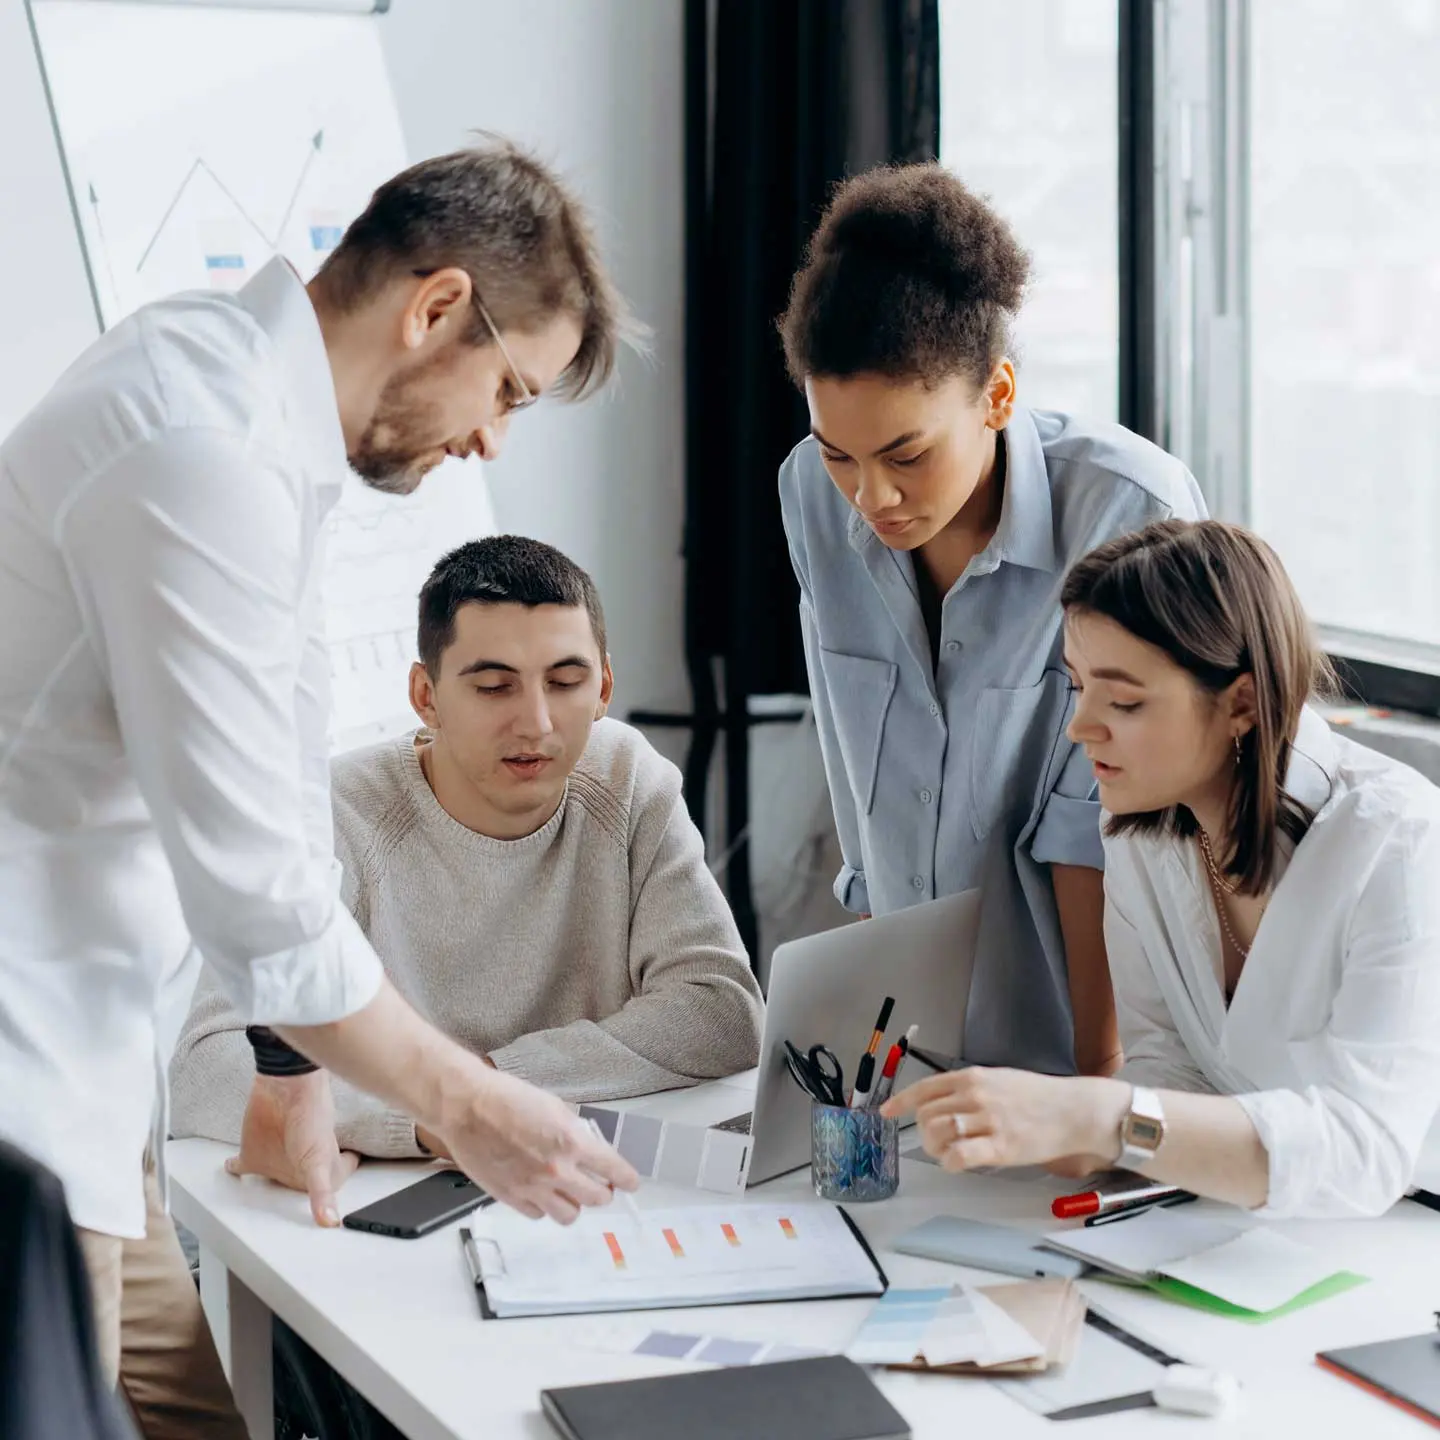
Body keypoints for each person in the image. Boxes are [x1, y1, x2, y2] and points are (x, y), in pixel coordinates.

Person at [0, 139, 640, 1433]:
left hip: (87, 1074)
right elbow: (258, 897)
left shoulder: (249, 413)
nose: (488, 442)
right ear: (438, 307)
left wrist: (291, 1061)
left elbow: (278, 769)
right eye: (507, 392)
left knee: (204, 1418)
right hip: (20, 1083)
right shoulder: (196, 449)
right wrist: (468, 1104)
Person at [777, 163, 1206, 1079]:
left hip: (1088, 1040)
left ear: (998, 396)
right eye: (839, 454)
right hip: (906, 1042)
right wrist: (876, 1042)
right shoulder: (810, 494)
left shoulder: (1128, 508)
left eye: (907, 453)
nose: (871, 497)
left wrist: (1096, 1087)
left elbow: (1106, 822)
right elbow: (863, 781)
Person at [886, 519, 1440, 1219]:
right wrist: (1074, 1135)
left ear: (1240, 703)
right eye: (1078, 687)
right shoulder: (1139, 834)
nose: (1080, 727)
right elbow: (1171, 1064)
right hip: (1257, 1225)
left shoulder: (1400, 845)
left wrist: (1109, 1119)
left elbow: (1365, 1151)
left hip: (1408, 1230)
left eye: (1123, 701)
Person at [171, 535, 764, 1165]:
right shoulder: (337, 813)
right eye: (493, 688)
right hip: (394, 1187)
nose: (537, 722)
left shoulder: (627, 779)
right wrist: (432, 1116)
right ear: (426, 696)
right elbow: (207, 1064)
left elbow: (721, 1010)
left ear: (604, 687)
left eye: (565, 681)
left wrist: (481, 1088)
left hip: (575, 1170)